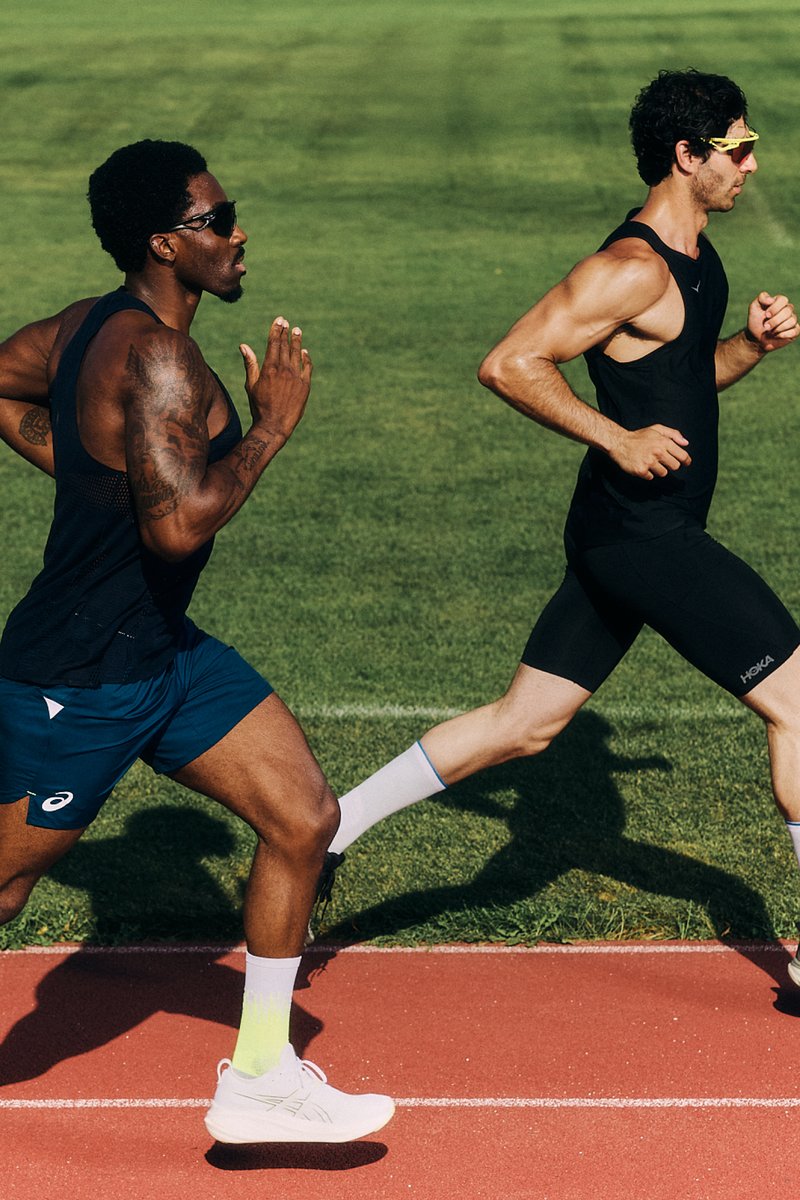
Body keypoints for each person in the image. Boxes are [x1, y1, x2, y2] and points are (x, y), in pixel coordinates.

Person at [317, 69, 800, 977]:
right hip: (649, 540)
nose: (751, 165)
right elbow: (508, 363)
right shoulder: (629, 268)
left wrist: (751, 347)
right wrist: (614, 436)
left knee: (525, 724)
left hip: (623, 535)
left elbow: (686, 385)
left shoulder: (698, 256)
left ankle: (327, 829)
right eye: (736, 149)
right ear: (685, 156)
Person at [0, 139, 394, 1144]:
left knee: (303, 818)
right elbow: (177, 525)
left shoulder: (79, 327)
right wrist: (269, 428)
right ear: (164, 243)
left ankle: (259, 1079)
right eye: (219, 221)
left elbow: (7, 385)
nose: (237, 233)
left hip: (164, 653)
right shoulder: (160, 356)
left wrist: (87, 473)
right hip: (80, 675)